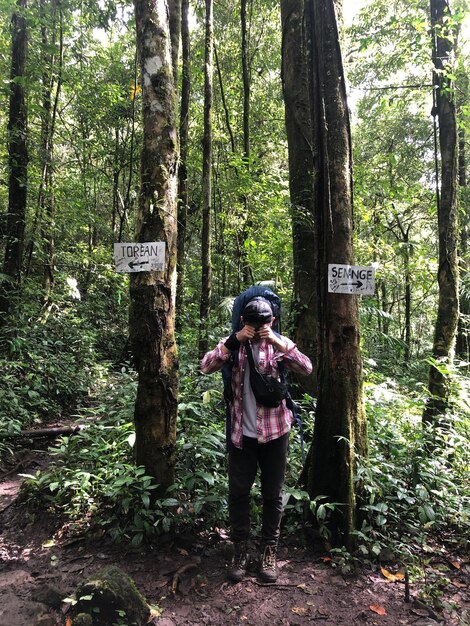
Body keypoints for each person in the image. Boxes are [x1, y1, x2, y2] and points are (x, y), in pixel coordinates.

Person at [200, 296, 312, 583]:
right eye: (251, 322)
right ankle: (239, 550)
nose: (257, 327)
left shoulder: (277, 345)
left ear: (271, 321)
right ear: (242, 321)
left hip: (275, 433)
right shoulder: (234, 345)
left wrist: (277, 342)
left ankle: (268, 552)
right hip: (241, 434)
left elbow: (307, 368)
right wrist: (233, 340)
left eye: (262, 322)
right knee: (238, 493)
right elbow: (206, 365)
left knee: (272, 495)